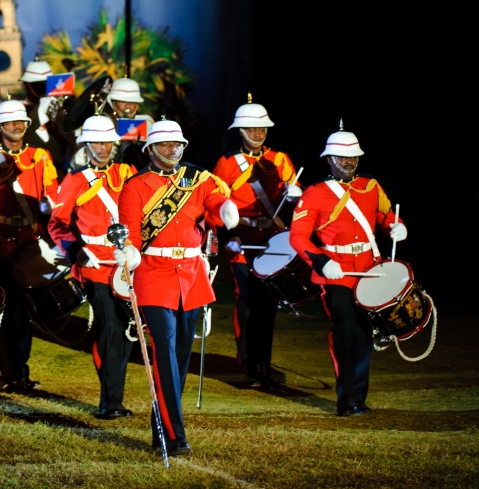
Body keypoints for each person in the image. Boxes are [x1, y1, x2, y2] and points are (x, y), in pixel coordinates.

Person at [117, 119, 239, 455]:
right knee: (166, 354)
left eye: (178, 145)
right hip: (153, 274)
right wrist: (128, 249)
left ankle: (163, 426)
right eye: (167, 145)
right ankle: (175, 435)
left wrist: (225, 208)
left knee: (182, 354)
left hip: (191, 273)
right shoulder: (136, 185)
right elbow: (131, 230)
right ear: (152, 149)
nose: (174, 150)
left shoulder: (197, 180)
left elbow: (214, 202)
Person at [289, 123, 405, 417]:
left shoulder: (371, 187)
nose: (349, 162)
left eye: (353, 157)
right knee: (346, 329)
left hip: (369, 269)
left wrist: (396, 226)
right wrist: (320, 261)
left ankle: (359, 398)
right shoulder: (315, 193)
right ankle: (346, 398)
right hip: (336, 271)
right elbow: (298, 236)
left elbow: (386, 217)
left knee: (364, 332)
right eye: (342, 158)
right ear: (329, 160)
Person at [48, 115, 139, 418]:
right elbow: (57, 224)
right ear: (86, 145)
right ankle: (110, 402)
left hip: (126, 262)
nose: (103, 147)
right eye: (97, 142)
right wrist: (77, 250)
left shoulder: (128, 172)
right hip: (94, 265)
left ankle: (114, 397)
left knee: (127, 329)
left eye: (108, 141)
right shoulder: (75, 179)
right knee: (111, 325)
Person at [0, 100, 59, 392]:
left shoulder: (40, 156)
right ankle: (12, 374)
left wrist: (49, 206)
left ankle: (23, 369)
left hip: (31, 241)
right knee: (7, 311)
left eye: (21, 122)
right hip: (0, 243)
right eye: (10, 123)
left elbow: (53, 195)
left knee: (28, 311)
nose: (17, 127)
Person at [211, 95, 301, 387]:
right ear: (240, 131)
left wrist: (293, 198)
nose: (257, 134)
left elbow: (292, 202)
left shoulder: (281, 160)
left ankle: (265, 367)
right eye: (251, 129)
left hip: (272, 242)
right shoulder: (226, 164)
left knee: (269, 304)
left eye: (261, 129)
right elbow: (215, 204)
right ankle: (250, 365)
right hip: (242, 242)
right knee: (248, 301)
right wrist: (229, 236)